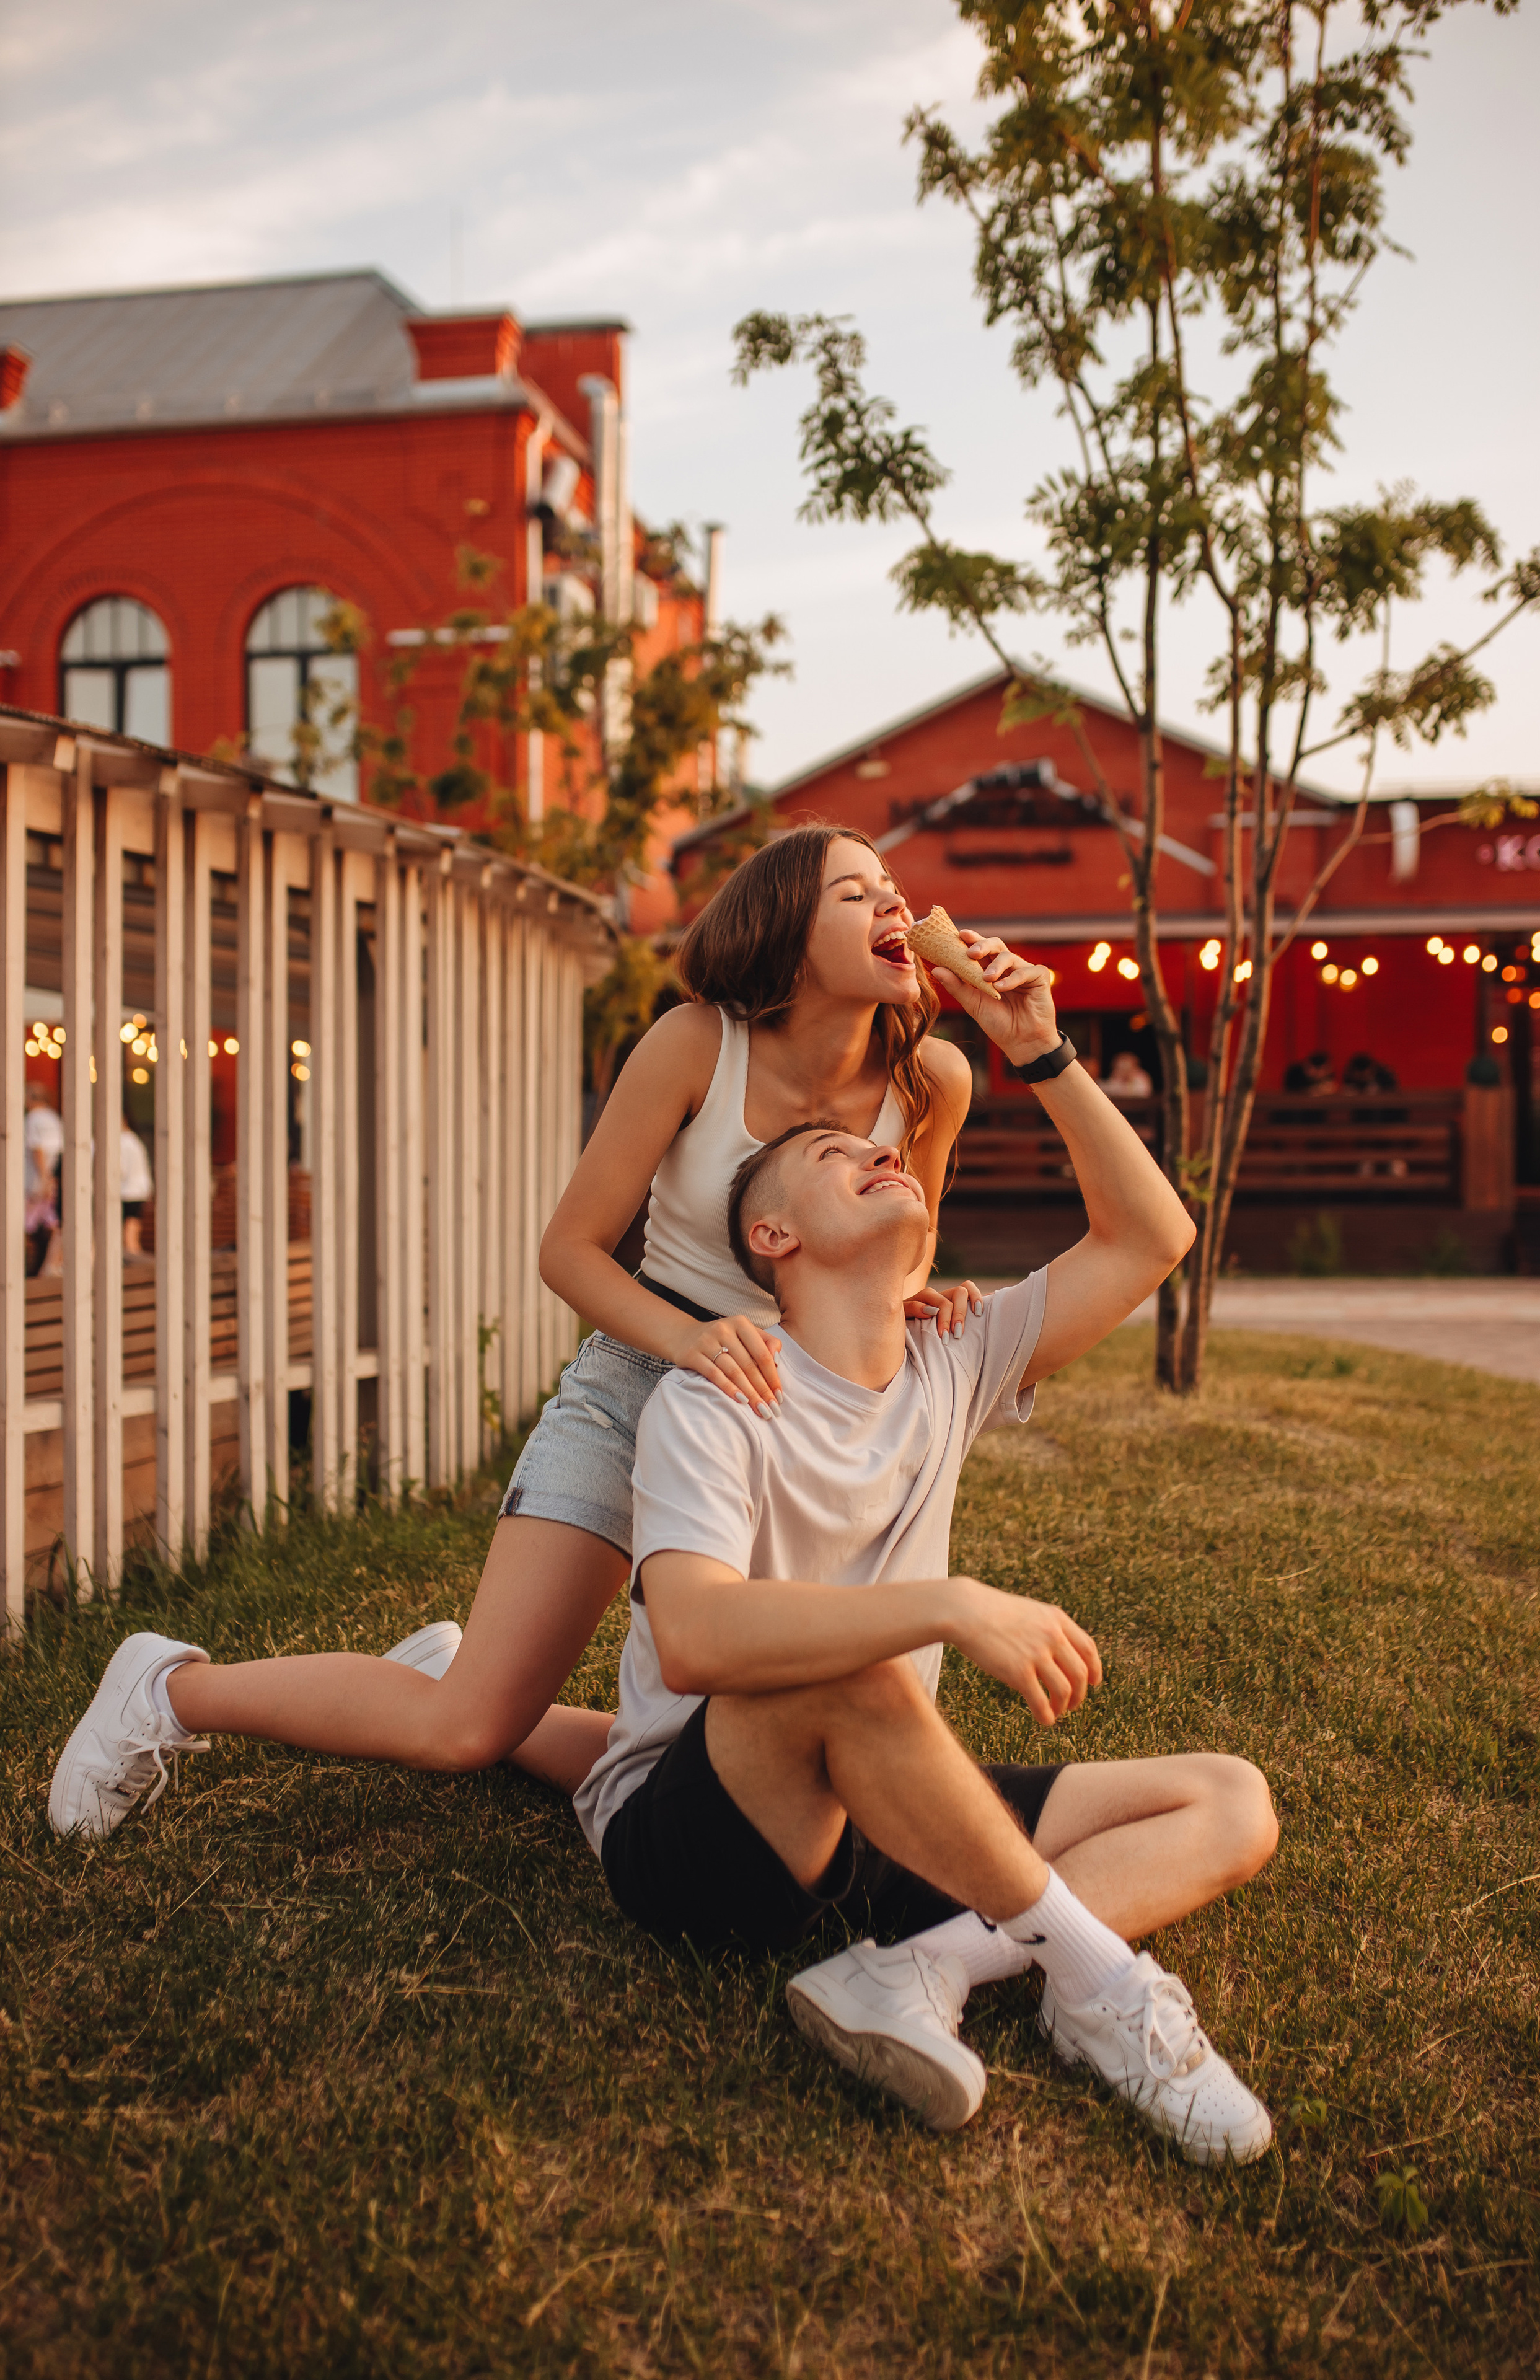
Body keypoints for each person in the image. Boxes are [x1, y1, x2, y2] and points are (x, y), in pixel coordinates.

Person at [48, 828, 985, 1834]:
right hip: (640, 1380)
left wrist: (925, 1295)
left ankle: (447, 1667)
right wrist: (687, 1343)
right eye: (857, 894)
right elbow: (571, 1252)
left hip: (783, 1417)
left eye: (895, 887)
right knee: (463, 1730)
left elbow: (902, 1250)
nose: (895, 907)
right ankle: (171, 1689)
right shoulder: (697, 1045)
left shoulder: (931, 1079)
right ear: (785, 933)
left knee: (725, 1742)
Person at [576, 933, 1278, 2161]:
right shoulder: (715, 1393)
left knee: (1228, 1802)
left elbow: (1148, 1236)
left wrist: (1040, 1052)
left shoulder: (952, 1360)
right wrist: (947, 1605)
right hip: (712, 1843)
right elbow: (691, 1638)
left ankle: (908, 1975)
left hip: (876, 1817)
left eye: (884, 1152)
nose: (880, 1154)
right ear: (772, 1240)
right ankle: (1105, 1992)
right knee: (857, 1670)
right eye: (838, 1157)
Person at [24, 1080, 63, 1277]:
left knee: (30, 1227)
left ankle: (35, 1270)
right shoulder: (54, 1118)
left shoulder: (33, 1119)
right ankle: (44, 1266)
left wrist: (44, 1179)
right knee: (48, 1224)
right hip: (53, 1179)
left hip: (36, 1183)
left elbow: (37, 1150)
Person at [120, 1116, 154, 1256]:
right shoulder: (134, 1140)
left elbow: (120, 1169)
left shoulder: (123, 1142)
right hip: (138, 1191)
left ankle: (134, 1264)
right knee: (132, 1230)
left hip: (127, 1192)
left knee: (128, 1234)